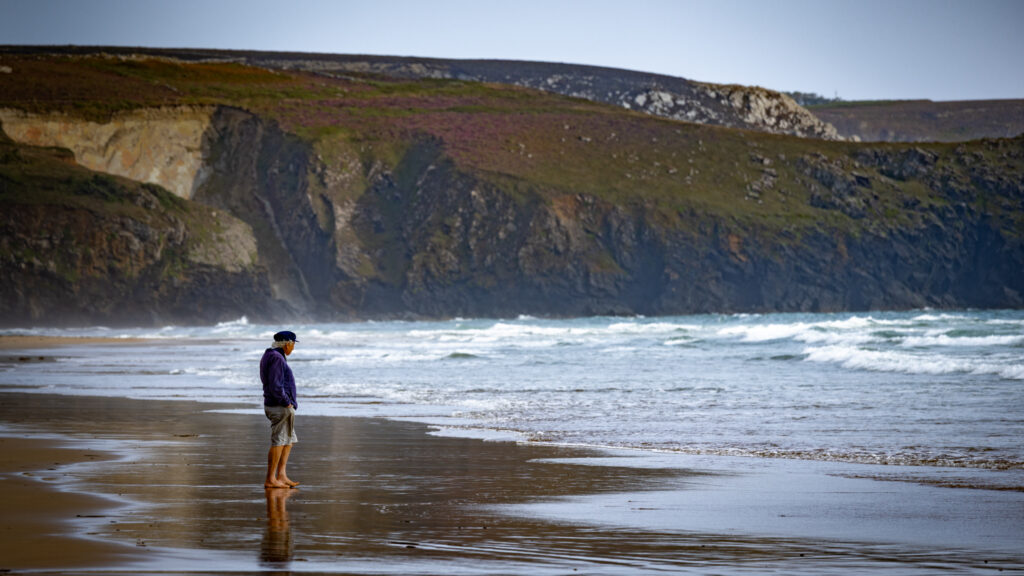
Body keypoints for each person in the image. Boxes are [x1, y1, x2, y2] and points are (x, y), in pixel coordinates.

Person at [260, 330, 300, 488]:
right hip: (279, 406)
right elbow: (276, 385)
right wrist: (287, 402)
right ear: (287, 343)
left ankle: (281, 475)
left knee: (289, 440)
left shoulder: (272, 355)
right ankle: (270, 479)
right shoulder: (276, 358)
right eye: (293, 344)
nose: (293, 348)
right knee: (279, 441)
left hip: (279, 405)